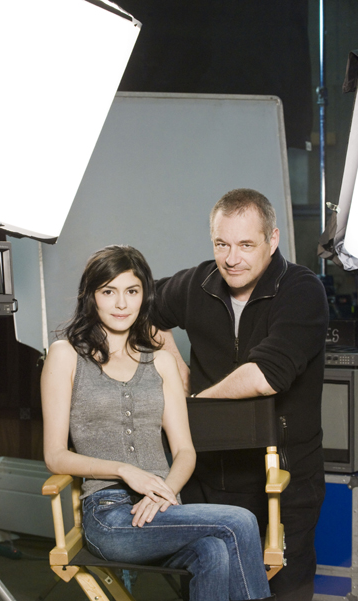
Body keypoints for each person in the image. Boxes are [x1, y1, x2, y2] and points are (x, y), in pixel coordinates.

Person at [41, 244, 274, 601]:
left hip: (165, 510)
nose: (122, 304)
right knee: (241, 521)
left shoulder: (161, 362)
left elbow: (184, 451)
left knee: (214, 551)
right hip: (110, 517)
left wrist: (164, 492)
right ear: (91, 296)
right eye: (109, 292)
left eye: (132, 291)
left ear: (144, 295)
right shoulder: (65, 355)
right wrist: (124, 470)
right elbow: (55, 456)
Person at [155, 189, 329, 601]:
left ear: (273, 239)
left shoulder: (301, 290)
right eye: (222, 244)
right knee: (204, 589)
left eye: (246, 244)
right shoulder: (198, 282)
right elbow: (137, 311)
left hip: (283, 482)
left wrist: (192, 406)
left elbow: (266, 375)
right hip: (206, 478)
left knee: (285, 591)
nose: (232, 258)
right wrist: (173, 366)